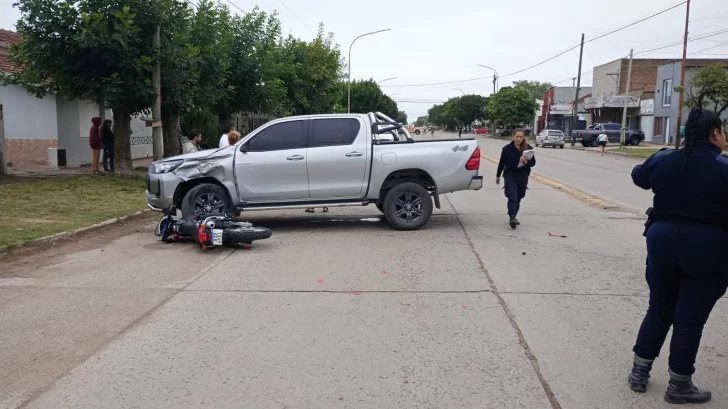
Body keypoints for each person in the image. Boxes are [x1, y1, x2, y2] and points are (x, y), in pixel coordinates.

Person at [628, 107, 727, 405]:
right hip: (708, 248)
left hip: (662, 241)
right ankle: (679, 385)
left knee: (659, 309)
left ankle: (639, 373)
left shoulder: (665, 159)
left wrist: (662, 156)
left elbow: (639, 176)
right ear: (715, 133)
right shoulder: (723, 168)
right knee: (689, 318)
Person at [495, 128, 536, 229]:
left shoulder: (528, 149)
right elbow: (501, 163)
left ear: (523, 137)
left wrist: (526, 161)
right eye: (517, 136)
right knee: (512, 196)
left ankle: (514, 215)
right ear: (513, 136)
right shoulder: (507, 149)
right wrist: (498, 175)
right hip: (510, 175)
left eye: (521, 137)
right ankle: (512, 217)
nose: (519, 139)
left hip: (522, 176)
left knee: (519, 197)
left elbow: (533, 163)